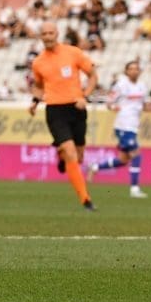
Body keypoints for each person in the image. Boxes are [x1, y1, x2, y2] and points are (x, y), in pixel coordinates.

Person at [29, 21, 98, 210]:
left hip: (77, 107)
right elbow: (39, 86)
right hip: (55, 110)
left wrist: (85, 96)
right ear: (40, 37)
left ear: (57, 34)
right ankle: (85, 199)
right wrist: (35, 102)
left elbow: (93, 75)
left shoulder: (73, 53)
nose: (48, 37)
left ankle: (61, 156)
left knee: (79, 157)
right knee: (70, 151)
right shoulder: (38, 62)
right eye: (44, 34)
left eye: (51, 33)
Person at [87, 60, 151, 198]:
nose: (134, 71)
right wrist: (113, 107)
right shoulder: (121, 85)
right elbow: (109, 102)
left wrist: (149, 108)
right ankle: (134, 189)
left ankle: (95, 167)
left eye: (136, 69)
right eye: (131, 69)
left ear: (139, 71)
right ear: (126, 71)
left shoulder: (142, 86)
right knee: (136, 154)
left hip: (133, 126)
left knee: (123, 160)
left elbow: (146, 105)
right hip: (123, 125)